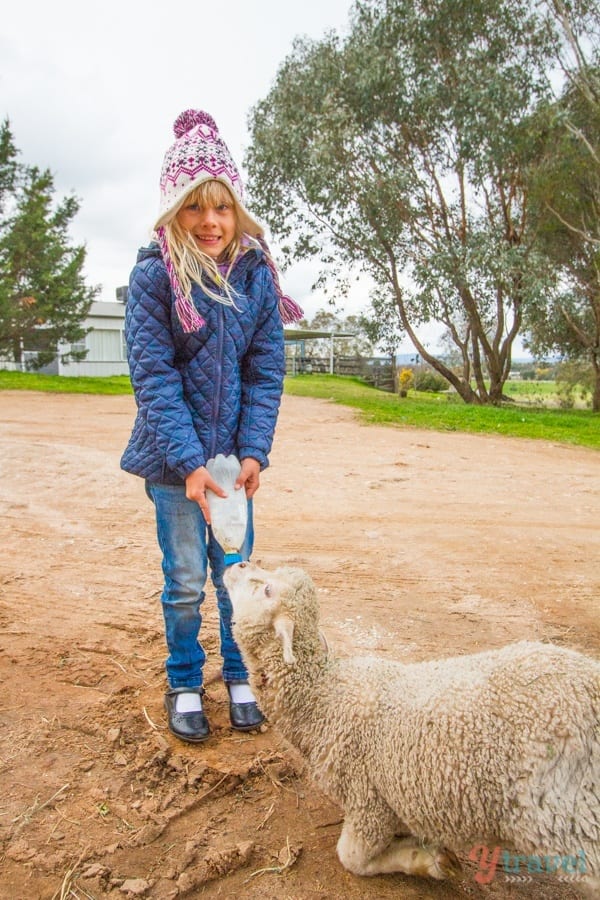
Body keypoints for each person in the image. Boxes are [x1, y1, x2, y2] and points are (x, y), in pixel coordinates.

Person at [120, 109, 302, 744]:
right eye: (194, 208)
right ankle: (184, 678)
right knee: (185, 581)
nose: (209, 222)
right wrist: (189, 463)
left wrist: (253, 450)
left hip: (229, 466)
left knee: (235, 575)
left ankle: (240, 675)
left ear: (237, 212)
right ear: (173, 211)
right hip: (176, 466)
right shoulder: (153, 277)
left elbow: (265, 370)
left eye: (221, 208)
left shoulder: (256, 278)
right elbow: (155, 377)